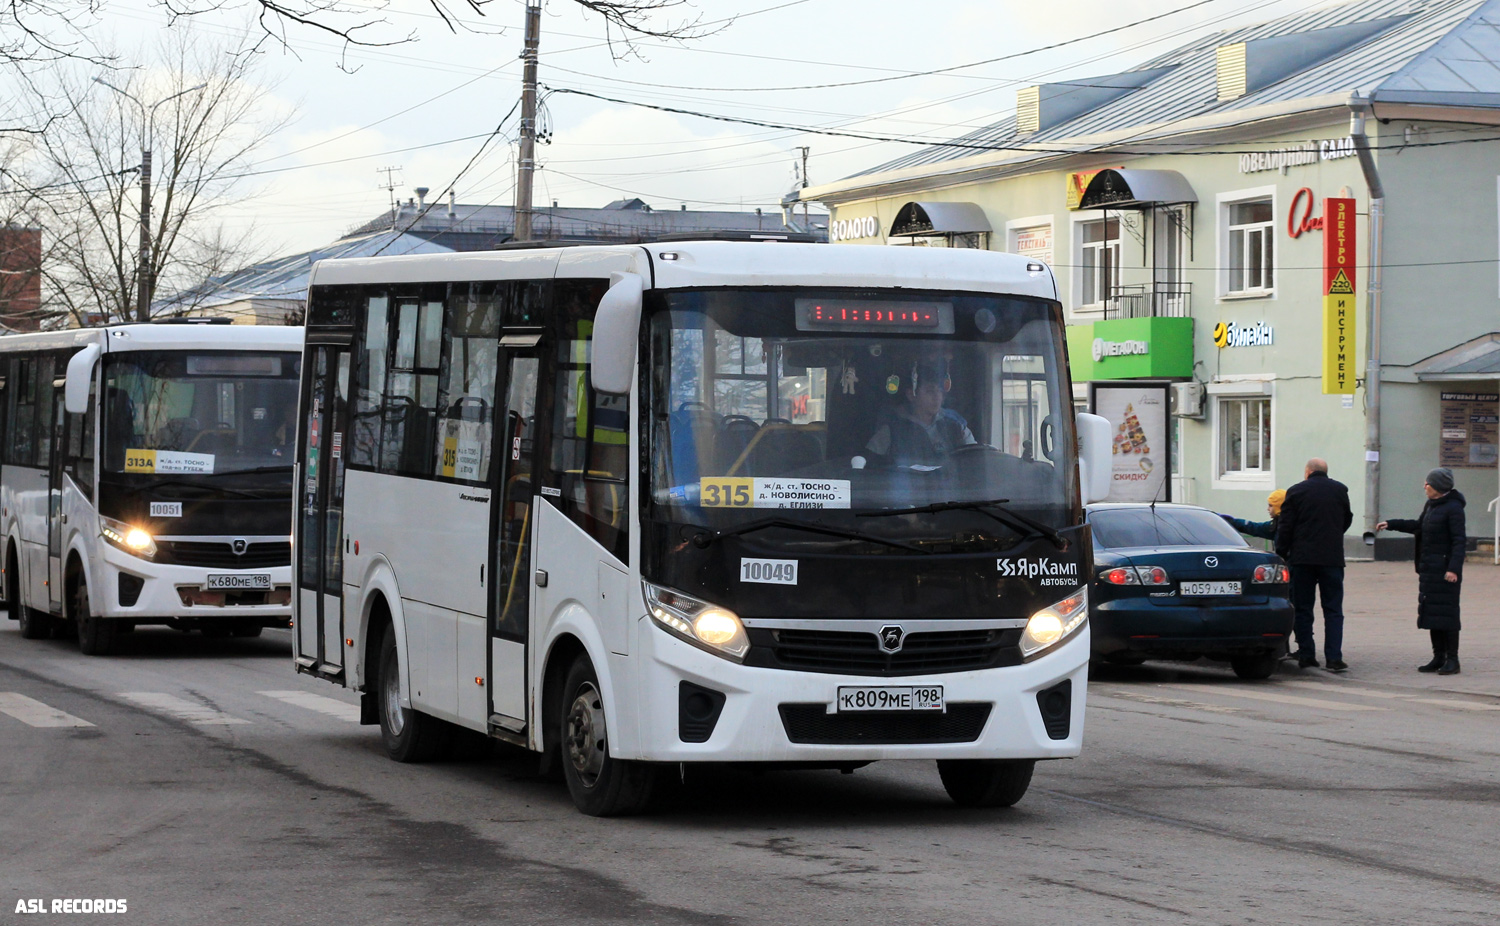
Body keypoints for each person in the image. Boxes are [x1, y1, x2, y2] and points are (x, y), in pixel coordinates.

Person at [1376, 467, 1467, 675]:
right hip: (1429, 570)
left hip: (1445, 572)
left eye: (1427, 483)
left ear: (1437, 486)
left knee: (1448, 614)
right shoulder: (1432, 505)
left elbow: (1459, 541)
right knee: (1433, 614)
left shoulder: (1453, 508)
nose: (1424, 486)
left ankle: (1453, 660)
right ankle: (1438, 657)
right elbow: (1418, 526)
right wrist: (1391, 524)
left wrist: (1453, 569)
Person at [1276, 458, 1353, 671]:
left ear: (1308, 471)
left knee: (1303, 608)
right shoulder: (1340, 490)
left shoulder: (1296, 491)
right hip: (1332, 558)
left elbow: (1285, 526)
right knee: (1333, 609)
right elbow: (1347, 519)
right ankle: (1334, 658)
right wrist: (1333, 536)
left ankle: (1307, 655)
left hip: (1302, 559)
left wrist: (1281, 552)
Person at [865, 359, 975, 466]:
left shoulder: (955, 423)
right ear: (911, 395)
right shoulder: (892, 427)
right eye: (930, 391)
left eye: (939, 391)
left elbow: (974, 457)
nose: (937, 397)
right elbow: (870, 463)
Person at [1220, 489, 1286, 542]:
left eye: (1271, 506)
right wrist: (1229, 521)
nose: (1268, 509)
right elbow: (1254, 527)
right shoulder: (1276, 524)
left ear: (1279, 507)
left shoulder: (1285, 526)